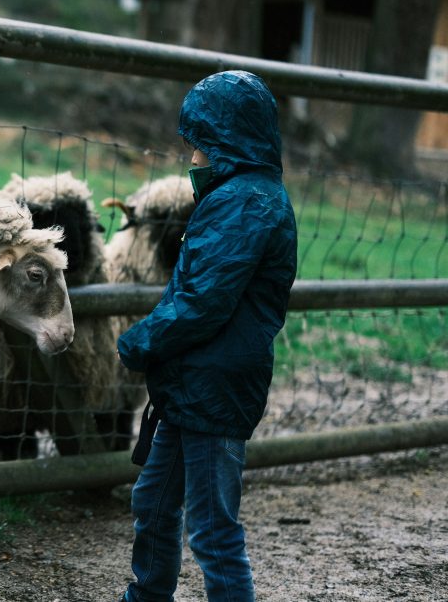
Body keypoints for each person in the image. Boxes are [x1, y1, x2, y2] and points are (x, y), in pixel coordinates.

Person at [115, 70, 298, 602]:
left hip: (215, 386)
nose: (192, 158)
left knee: (213, 528)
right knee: (152, 504)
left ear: (227, 142)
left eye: (199, 145)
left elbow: (202, 301)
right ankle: (146, 597)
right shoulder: (232, 197)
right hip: (190, 384)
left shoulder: (247, 204)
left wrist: (140, 341)